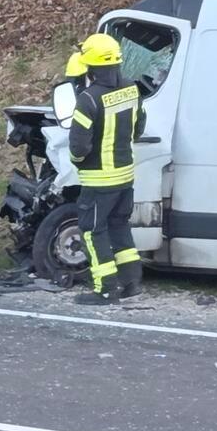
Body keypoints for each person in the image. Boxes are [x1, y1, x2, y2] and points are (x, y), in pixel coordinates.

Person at [68, 33, 142, 305]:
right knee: (120, 226)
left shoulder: (88, 99)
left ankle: (106, 289)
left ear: (91, 67)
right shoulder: (132, 88)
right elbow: (139, 128)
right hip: (126, 176)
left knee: (92, 231)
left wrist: (79, 163)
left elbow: (78, 146)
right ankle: (132, 283)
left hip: (99, 180)